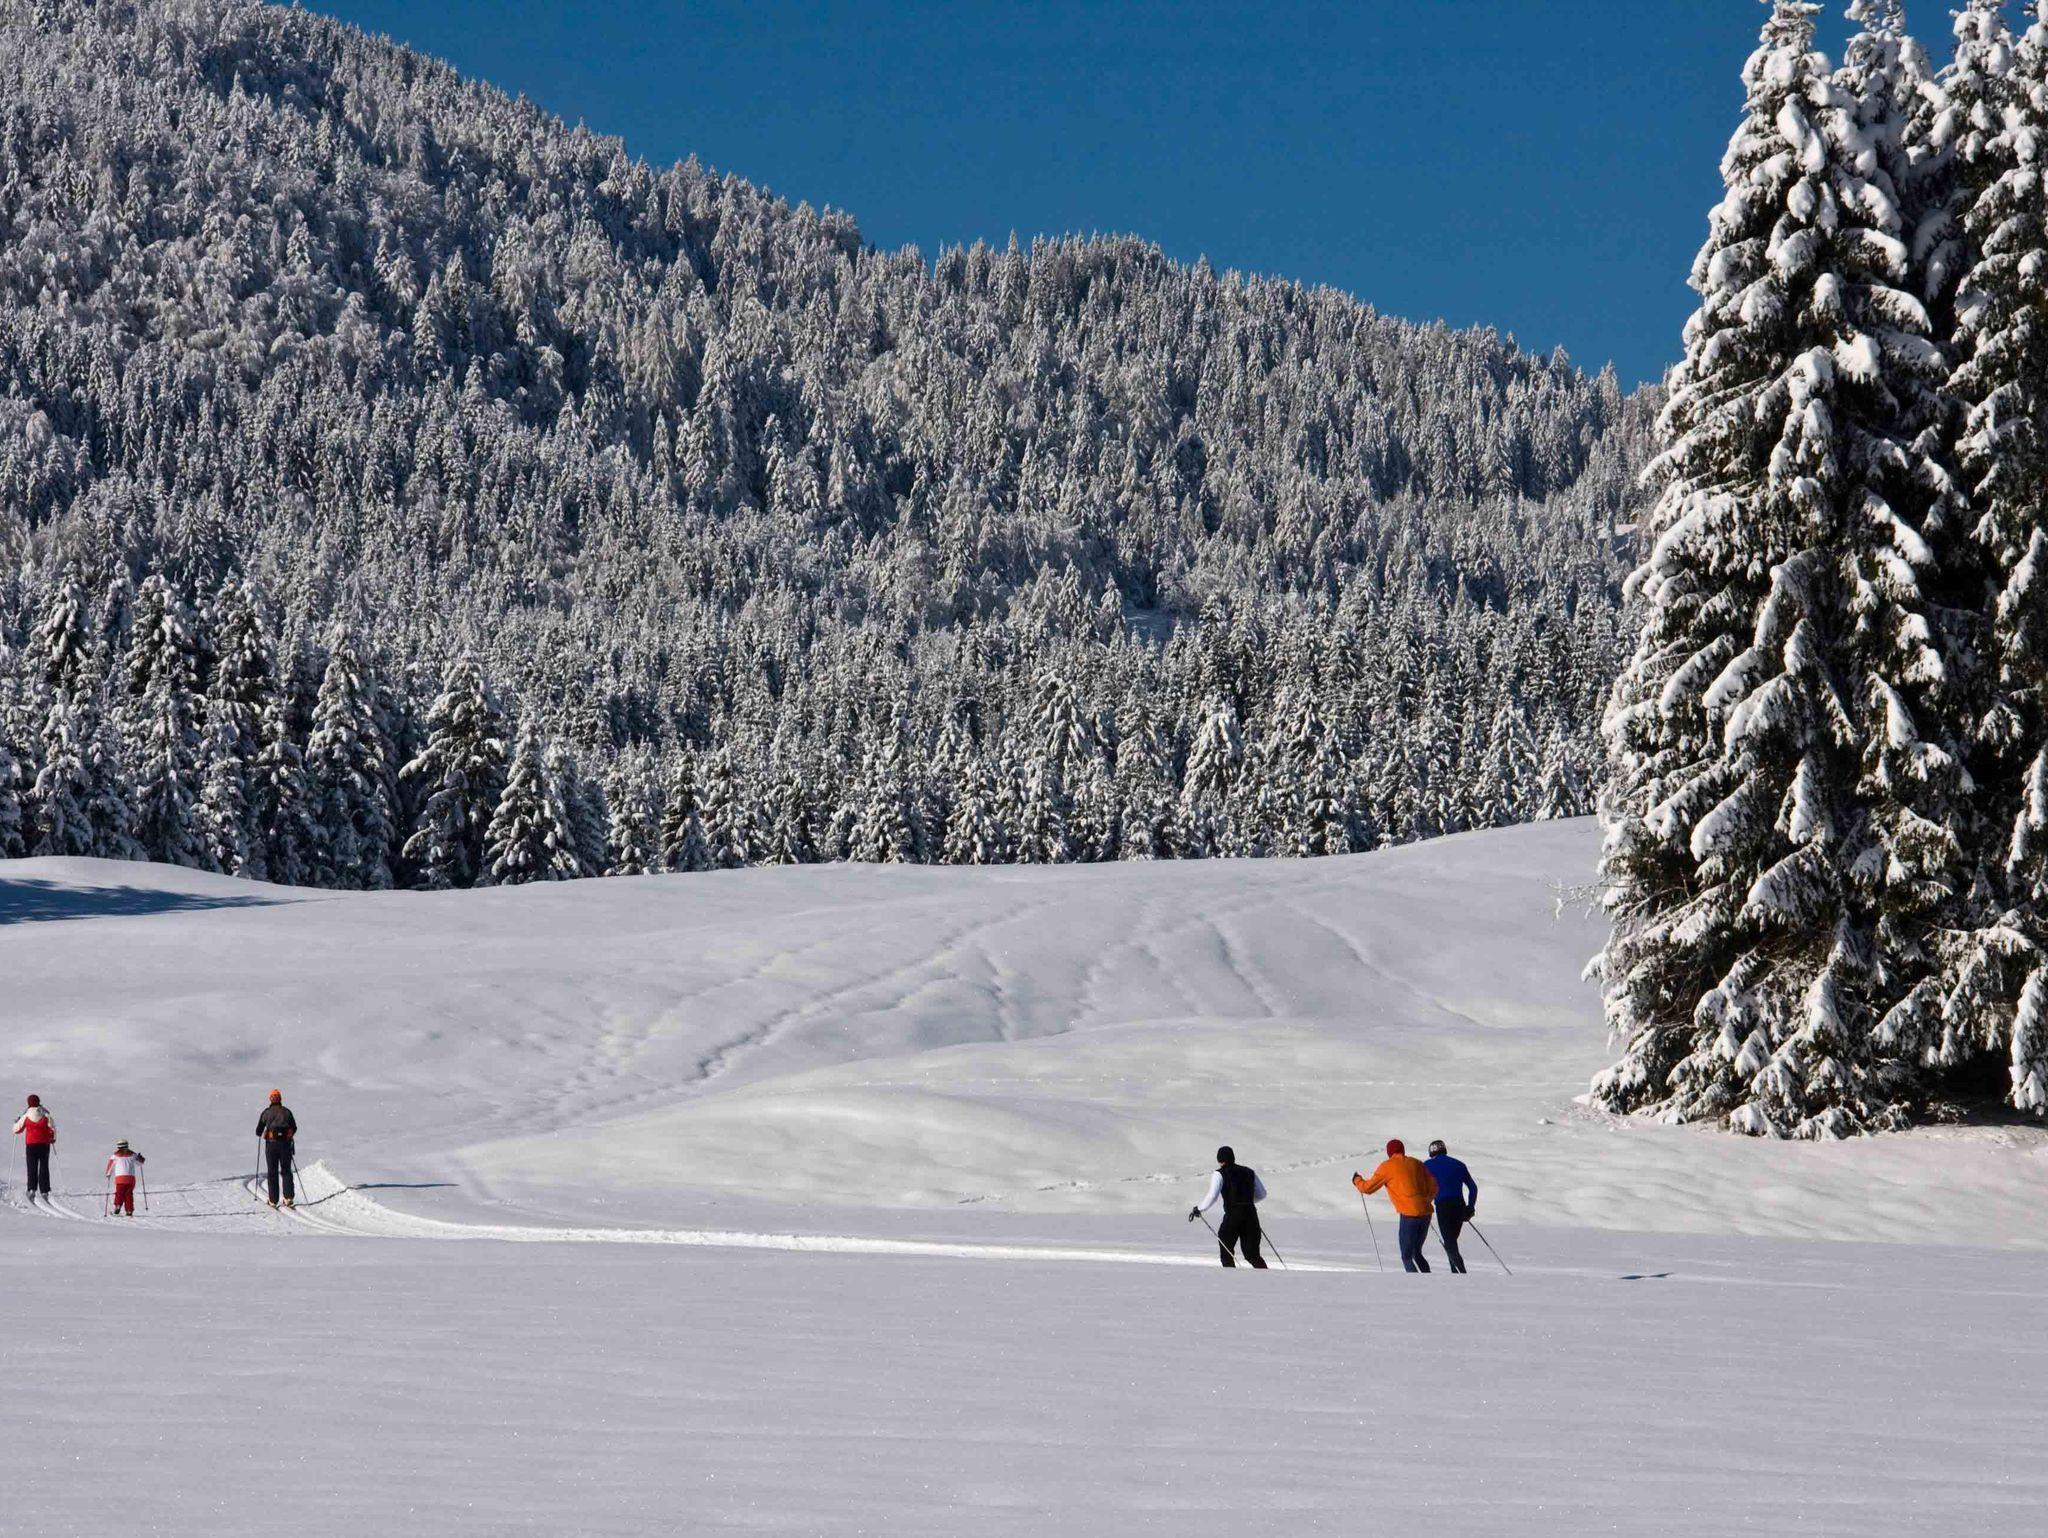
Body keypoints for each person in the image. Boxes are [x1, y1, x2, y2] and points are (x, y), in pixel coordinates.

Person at [1354, 1139, 1438, 1273]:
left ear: (1389, 1152)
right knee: (1417, 1253)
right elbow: (1434, 1185)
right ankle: (1430, 1280)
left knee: (1406, 1256)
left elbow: (1367, 1188)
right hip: (1425, 1213)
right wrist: (1426, 1200)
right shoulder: (1417, 1163)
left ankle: (1416, 1283)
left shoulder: (1387, 1167)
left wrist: (1357, 1180)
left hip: (1409, 1215)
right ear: (1403, 1150)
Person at [1188, 1145, 1269, 1269]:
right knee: (1252, 1254)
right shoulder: (1249, 1172)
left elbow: (1212, 1196)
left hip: (1233, 1215)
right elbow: (1262, 1194)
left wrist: (1199, 1209)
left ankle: (1230, 1276)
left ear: (1219, 1160)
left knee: (1226, 1248)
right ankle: (1266, 1277)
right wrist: (1246, 1202)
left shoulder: (1219, 1174)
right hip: (1251, 1215)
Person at [1422, 1139, 1479, 1274]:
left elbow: (1421, 1187)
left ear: (1431, 1152)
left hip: (1443, 1207)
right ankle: (1456, 1273)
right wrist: (1470, 1207)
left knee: (1449, 1243)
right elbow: (1473, 1188)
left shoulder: (1427, 1165)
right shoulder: (1459, 1164)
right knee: (1451, 1242)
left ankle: (1461, 1273)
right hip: (1459, 1206)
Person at [256, 1089, 298, 1208]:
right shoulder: (287, 1112)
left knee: (272, 1171)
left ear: (271, 1099)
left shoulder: (266, 1113)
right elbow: (294, 1127)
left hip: (271, 1145)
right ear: (280, 1099)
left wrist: (264, 1131)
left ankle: (273, 1200)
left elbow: (258, 1131)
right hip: (285, 1145)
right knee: (286, 1170)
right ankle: (288, 1197)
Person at [13, 1093, 55, 1202]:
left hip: (31, 1145)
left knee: (32, 1167)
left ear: (29, 1103)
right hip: (44, 1144)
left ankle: (32, 1189)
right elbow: (52, 1128)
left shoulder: (26, 1115)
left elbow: (17, 1129)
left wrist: (16, 1123)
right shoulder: (45, 1114)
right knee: (44, 1167)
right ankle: (45, 1190)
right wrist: (52, 1138)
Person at [105, 1139, 146, 1217]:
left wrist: (108, 1173)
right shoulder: (133, 1155)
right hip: (130, 1178)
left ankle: (118, 1206)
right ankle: (129, 1210)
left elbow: (110, 1165)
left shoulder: (115, 1155)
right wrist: (141, 1158)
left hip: (120, 1178)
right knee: (128, 1194)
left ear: (118, 1147)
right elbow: (140, 1163)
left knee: (119, 1193)